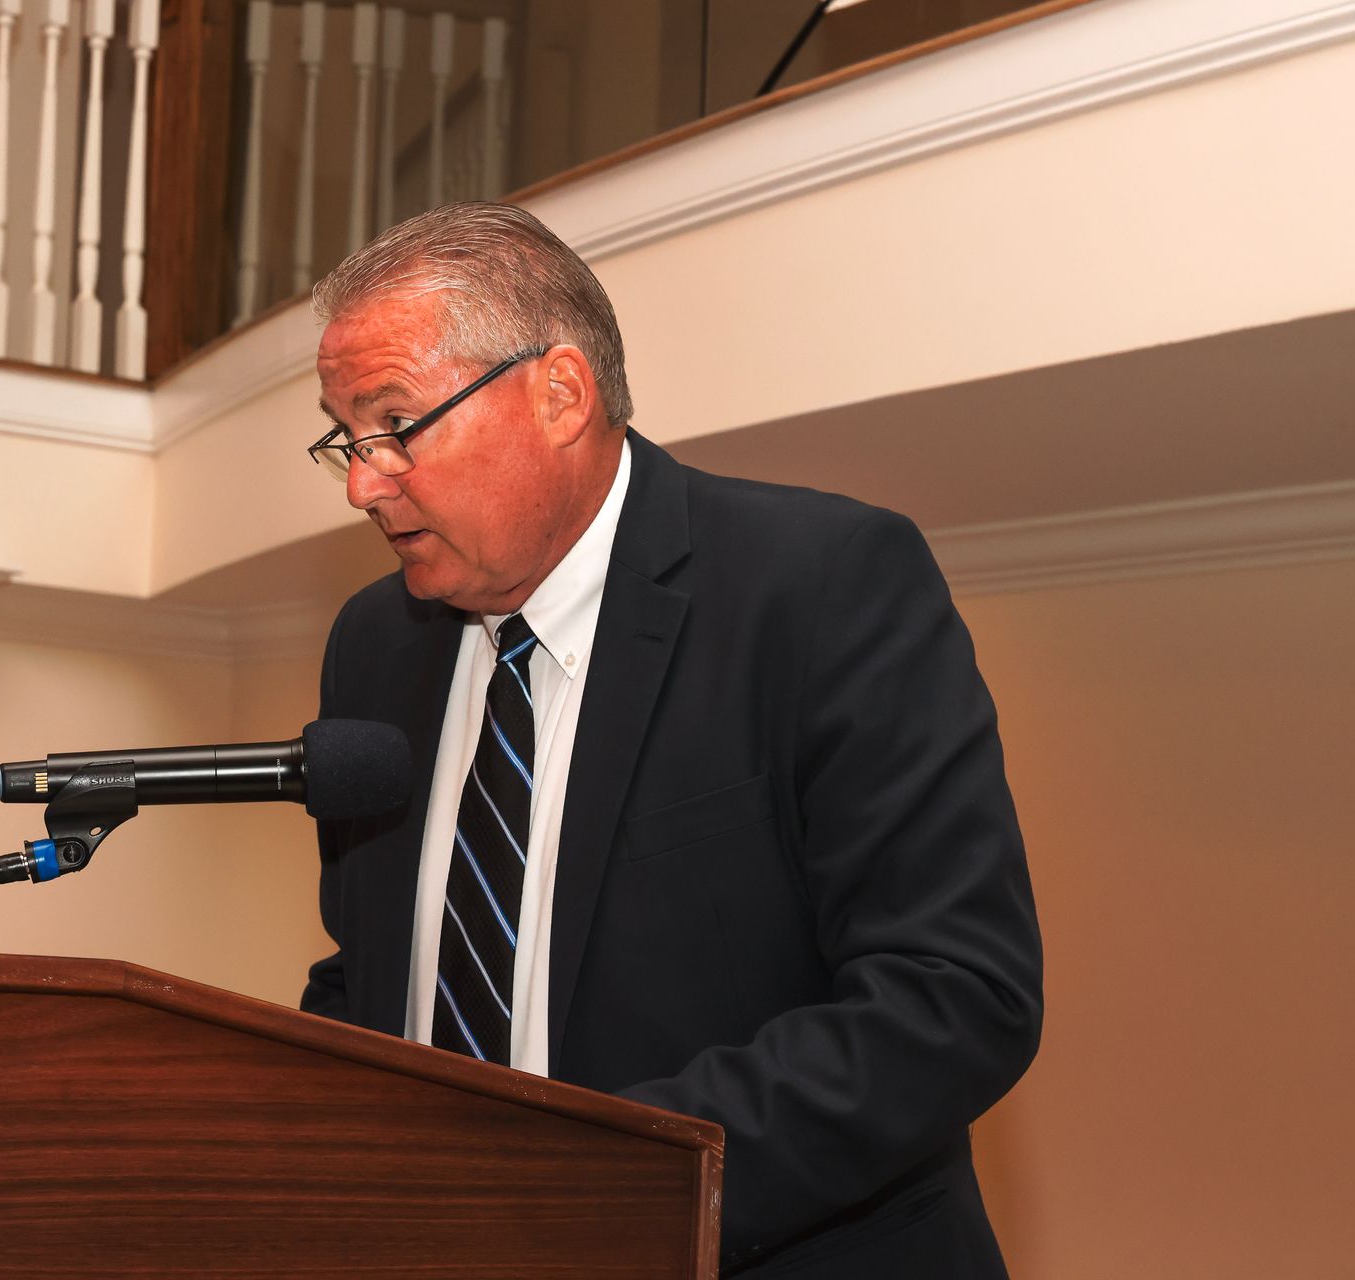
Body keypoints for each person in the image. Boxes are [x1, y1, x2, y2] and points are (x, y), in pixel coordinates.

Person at [299, 202, 1042, 1278]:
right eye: (346, 437)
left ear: (560, 393)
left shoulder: (820, 587)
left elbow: (953, 994)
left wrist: (591, 1187)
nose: (364, 483)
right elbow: (375, 974)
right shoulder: (373, 644)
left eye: (396, 425)